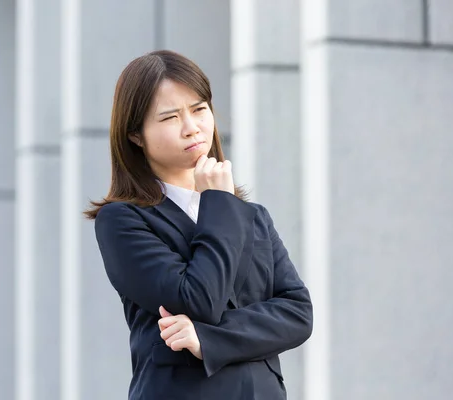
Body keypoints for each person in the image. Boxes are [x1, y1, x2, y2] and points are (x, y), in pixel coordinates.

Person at [84, 50, 313, 400]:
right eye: (170, 117)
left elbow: (298, 313)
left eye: (199, 109)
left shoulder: (252, 216)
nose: (192, 127)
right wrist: (217, 203)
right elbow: (198, 300)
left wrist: (207, 338)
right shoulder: (123, 220)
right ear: (136, 135)